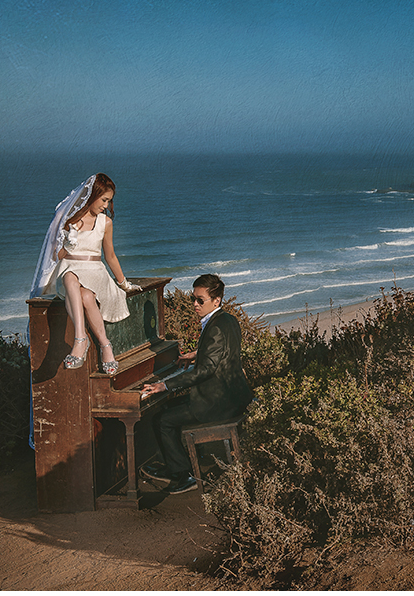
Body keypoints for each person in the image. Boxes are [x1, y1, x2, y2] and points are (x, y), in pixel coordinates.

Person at [140, 274, 252, 494]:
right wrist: (196, 354)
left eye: (200, 300)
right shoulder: (227, 320)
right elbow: (220, 352)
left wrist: (165, 385)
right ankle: (174, 466)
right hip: (233, 396)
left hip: (218, 403)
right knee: (165, 409)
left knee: (163, 420)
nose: (194, 304)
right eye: (194, 299)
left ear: (216, 301)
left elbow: (205, 370)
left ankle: (183, 475)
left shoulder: (215, 326)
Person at [29, 173, 140, 375]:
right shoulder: (68, 221)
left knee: (87, 296)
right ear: (91, 195)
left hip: (95, 273)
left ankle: (91, 343)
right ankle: (89, 341)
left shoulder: (105, 223)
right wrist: (67, 245)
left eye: (109, 201)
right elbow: (57, 256)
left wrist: (124, 283)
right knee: (70, 276)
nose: (106, 205)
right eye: (104, 199)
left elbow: (111, 256)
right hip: (69, 272)